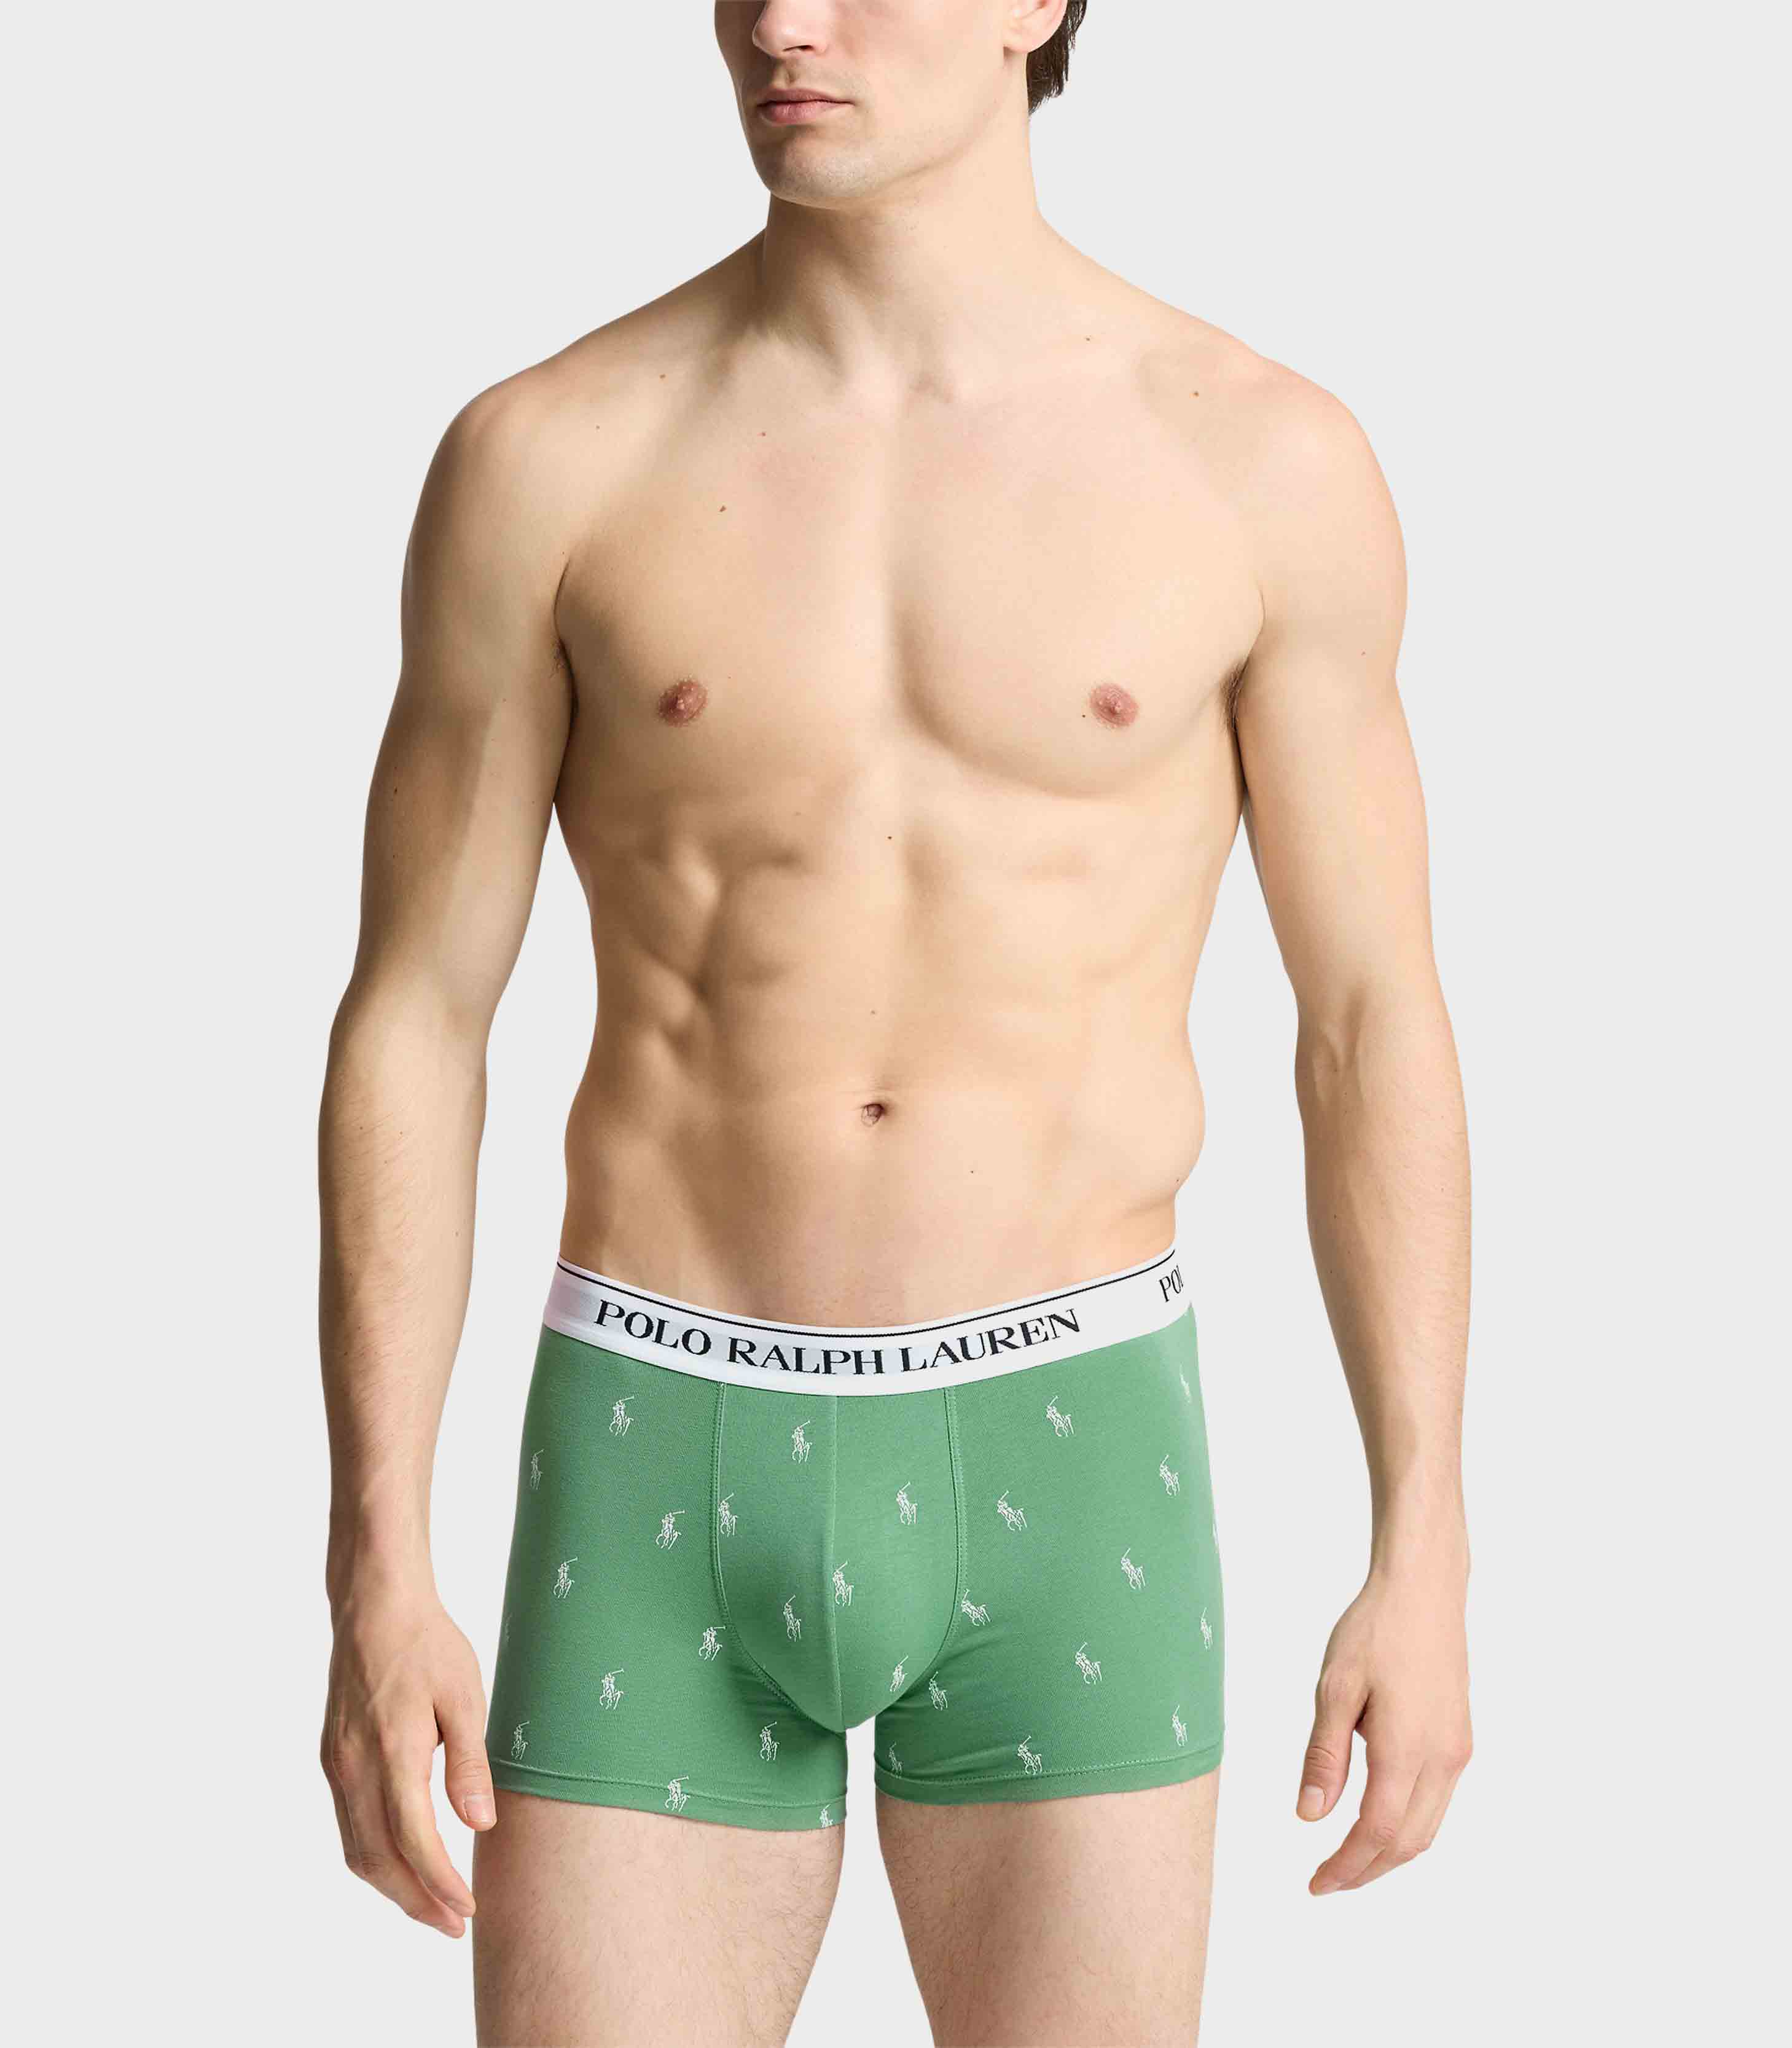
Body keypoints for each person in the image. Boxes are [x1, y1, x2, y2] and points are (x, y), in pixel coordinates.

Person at [316, 4, 1473, 2041]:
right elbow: (417, 1012)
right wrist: (376, 1560)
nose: (785, 20)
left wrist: (1426, 1538)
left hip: (1073, 1428)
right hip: (656, 1438)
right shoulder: (553, 456)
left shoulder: (1258, 461)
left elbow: (1368, 1023)